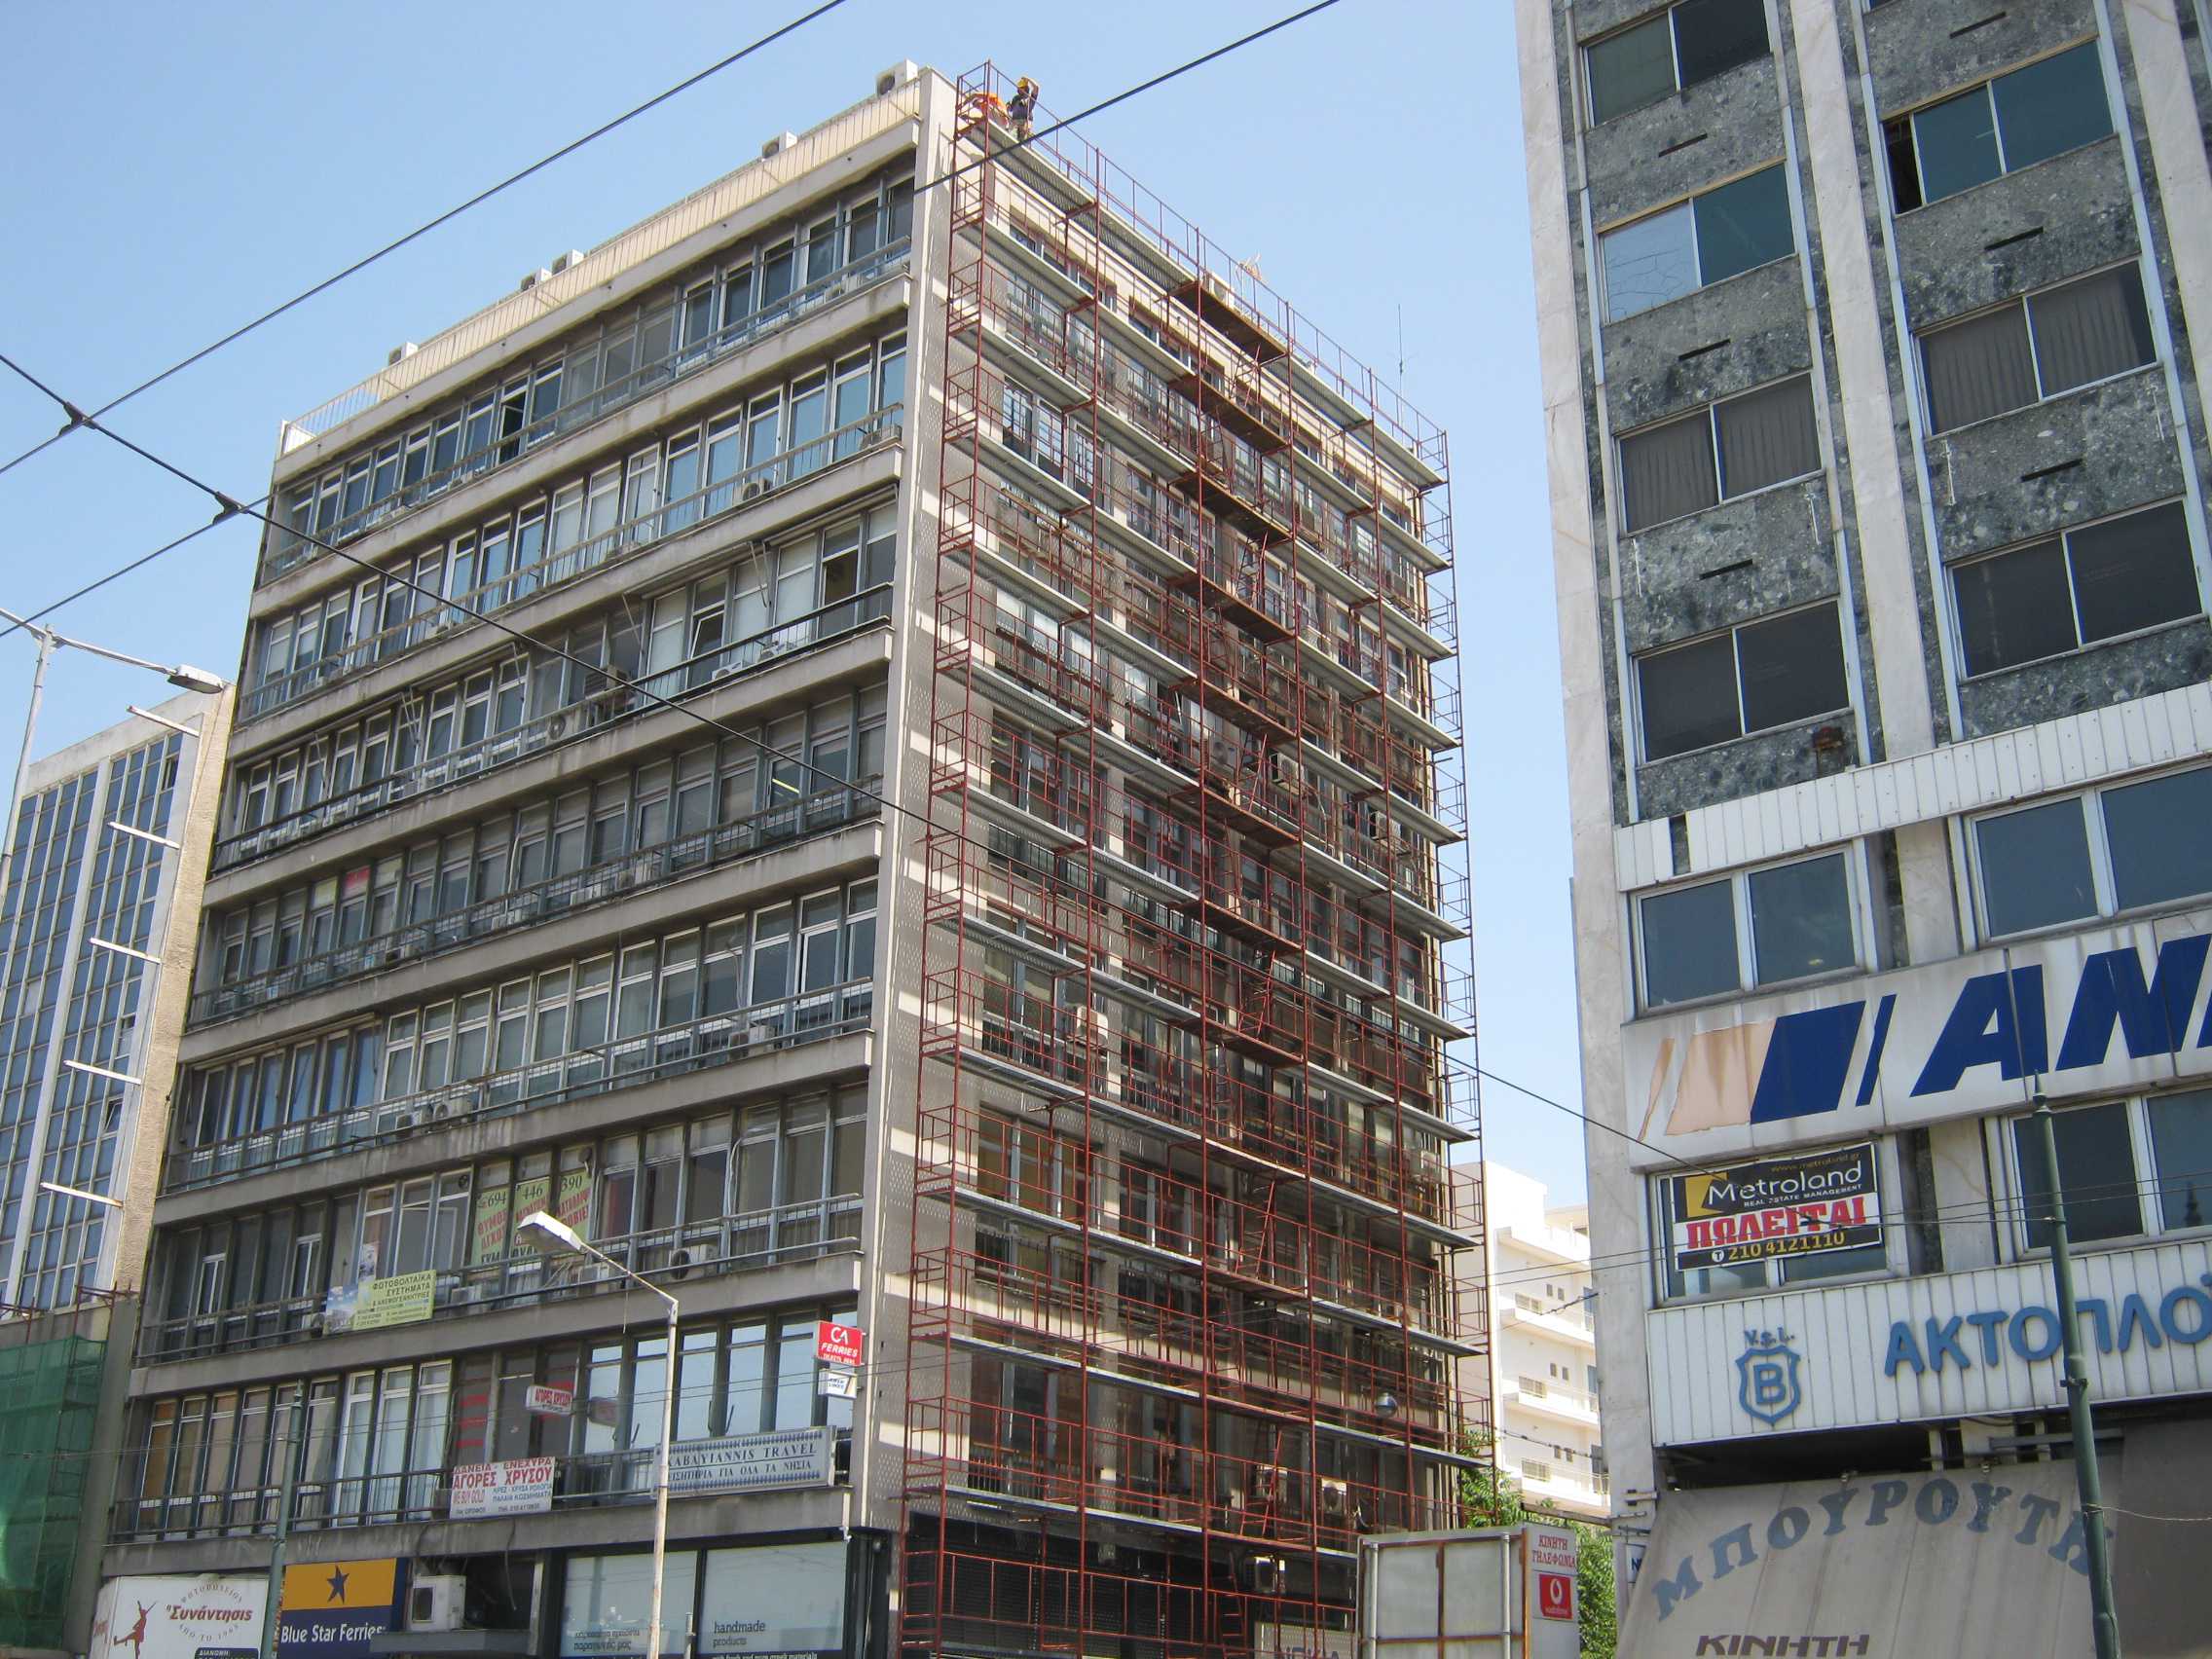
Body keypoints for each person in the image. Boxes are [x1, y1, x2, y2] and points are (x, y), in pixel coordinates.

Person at [1010, 77, 1039, 143]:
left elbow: (1036, 87)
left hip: (1025, 122)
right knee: (1011, 138)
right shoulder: (1016, 98)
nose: (1019, 89)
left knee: (1024, 139)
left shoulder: (1030, 98)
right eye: (1019, 88)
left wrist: (1027, 79)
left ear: (1026, 88)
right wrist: (1008, 106)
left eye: (1021, 87)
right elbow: (1010, 108)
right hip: (1015, 122)